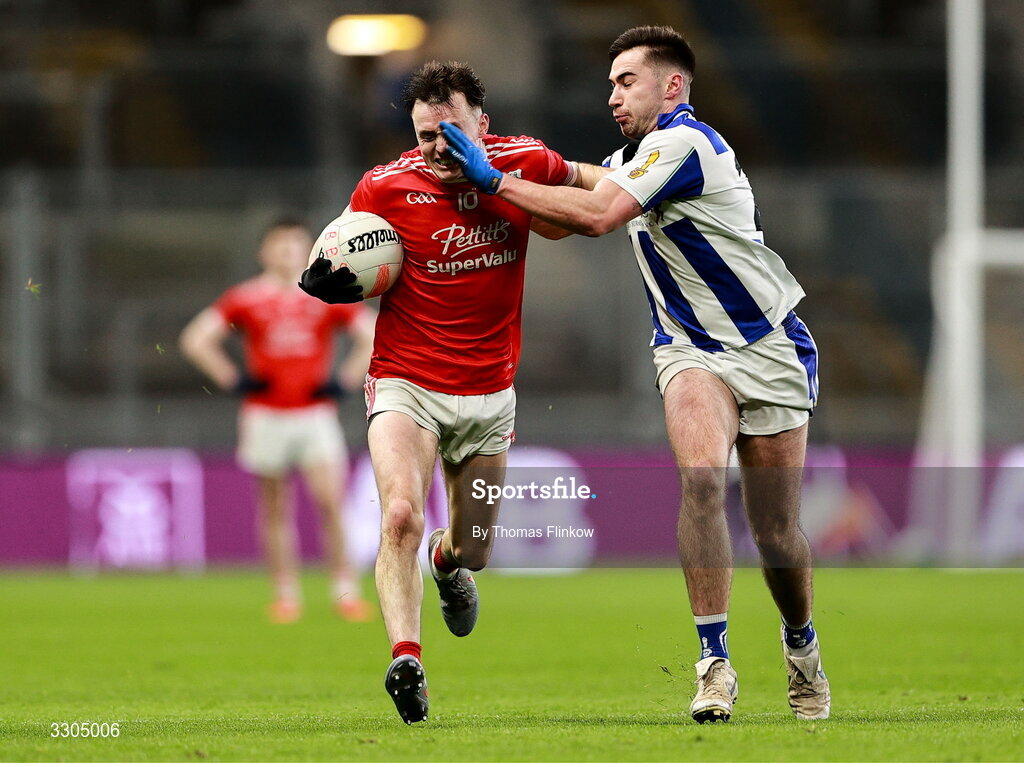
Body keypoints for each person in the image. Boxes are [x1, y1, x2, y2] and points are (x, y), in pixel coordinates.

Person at [441, 25, 829, 723]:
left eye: (626, 81)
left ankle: (801, 644)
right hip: (688, 350)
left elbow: (596, 213)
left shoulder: (686, 144)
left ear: (671, 85)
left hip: (767, 347)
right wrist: (516, 166)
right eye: (611, 83)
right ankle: (714, 664)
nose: (611, 95)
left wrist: (497, 178)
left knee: (776, 533)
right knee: (702, 482)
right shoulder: (641, 155)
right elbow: (587, 184)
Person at [298, 61, 602, 724]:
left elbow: (604, 193)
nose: (437, 147)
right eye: (424, 134)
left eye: (451, 131)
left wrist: (648, 186)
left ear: (482, 125)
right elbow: (343, 253)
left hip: (490, 393)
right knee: (400, 513)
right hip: (406, 383)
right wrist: (323, 279)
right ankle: (406, 656)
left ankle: (448, 562)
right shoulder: (384, 186)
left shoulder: (522, 162)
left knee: (474, 549)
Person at [180, 216, 376, 625]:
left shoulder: (323, 294)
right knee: (274, 508)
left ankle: (345, 591)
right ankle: (285, 594)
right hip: (265, 414)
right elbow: (196, 339)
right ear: (264, 251)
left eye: (295, 244)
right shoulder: (246, 298)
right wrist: (232, 379)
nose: (287, 252)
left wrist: (344, 381)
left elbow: (371, 333)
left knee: (330, 504)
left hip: (314, 413)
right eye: (279, 244)